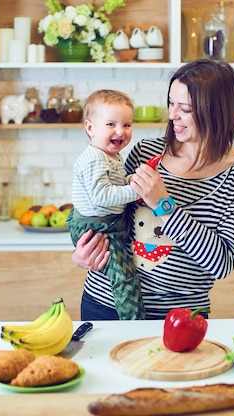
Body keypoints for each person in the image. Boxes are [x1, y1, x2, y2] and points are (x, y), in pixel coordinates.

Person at [72, 59, 234, 320]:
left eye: (185, 108)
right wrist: (82, 253)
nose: (173, 115)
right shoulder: (146, 152)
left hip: (179, 317)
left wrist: (163, 203)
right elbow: (104, 214)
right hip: (106, 303)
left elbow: (222, 263)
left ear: (217, 111)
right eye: (171, 103)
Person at [66, 89, 145, 320]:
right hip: (98, 228)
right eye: (111, 124)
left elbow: (114, 183)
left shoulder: (110, 155)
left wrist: (130, 180)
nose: (120, 131)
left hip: (106, 223)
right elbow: (102, 197)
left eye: (127, 125)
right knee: (124, 276)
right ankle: (134, 323)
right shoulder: (94, 159)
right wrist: (136, 190)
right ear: (90, 128)